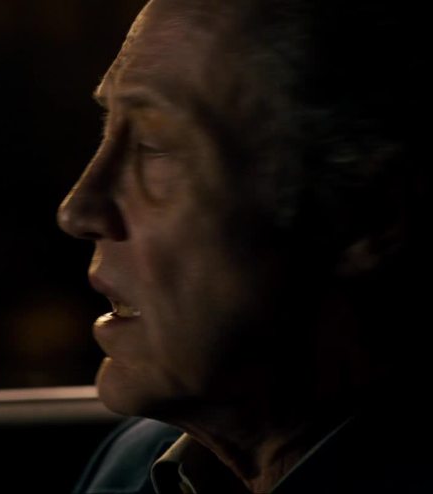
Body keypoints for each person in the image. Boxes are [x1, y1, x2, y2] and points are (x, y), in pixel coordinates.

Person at [58, 0, 432, 492]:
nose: (77, 211)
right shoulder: (130, 466)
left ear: (365, 212)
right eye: (106, 130)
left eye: (153, 144)